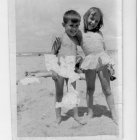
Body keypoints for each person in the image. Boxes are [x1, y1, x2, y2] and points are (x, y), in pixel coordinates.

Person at [44, 10, 86, 125]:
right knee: (59, 94)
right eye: (71, 25)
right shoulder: (60, 37)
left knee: (73, 93)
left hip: (71, 70)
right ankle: (58, 117)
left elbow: (83, 42)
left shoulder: (76, 38)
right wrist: (52, 70)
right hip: (60, 69)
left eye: (77, 26)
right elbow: (52, 53)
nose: (74, 28)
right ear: (63, 25)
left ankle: (76, 115)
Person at [80, 7, 117, 124]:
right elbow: (70, 44)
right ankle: (90, 113)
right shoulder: (80, 34)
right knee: (90, 89)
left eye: (96, 21)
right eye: (92, 18)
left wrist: (110, 65)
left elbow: (104, 49)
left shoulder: (99, 33)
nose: (93, 22)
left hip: (102, 61)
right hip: (89, 62)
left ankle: (114, 114)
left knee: (107, 89)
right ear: (86, 17)